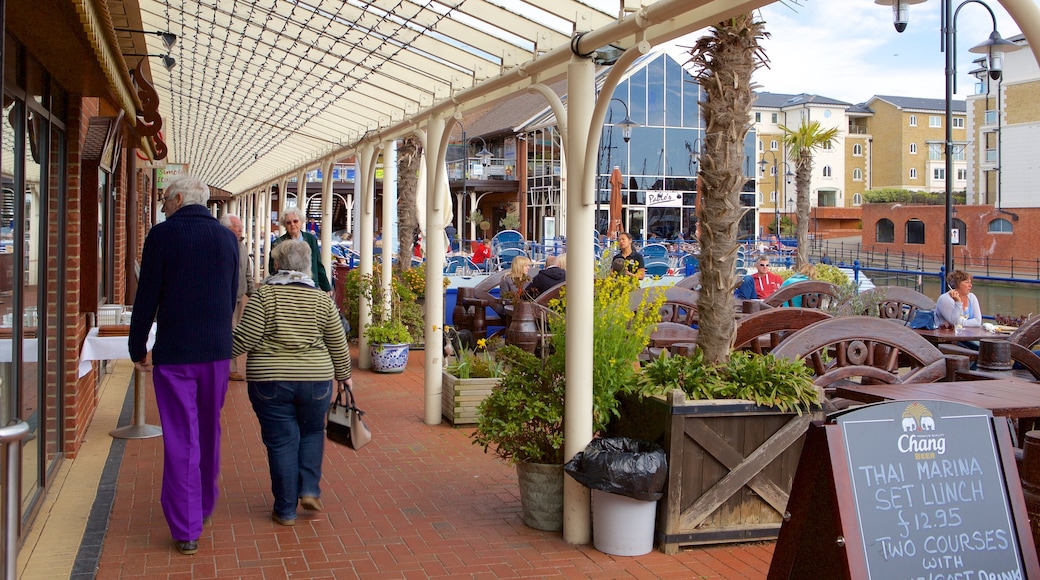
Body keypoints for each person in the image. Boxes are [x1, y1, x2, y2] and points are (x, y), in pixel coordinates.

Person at [128, 173, 239, 556]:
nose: (160, 207)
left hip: (175, 353)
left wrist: (137, 345)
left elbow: (147, 298)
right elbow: (229, 295)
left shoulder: (162, 236)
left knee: (180, 436)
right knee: (209, 430)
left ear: (177, 199)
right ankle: (204, 505)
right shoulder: (227, 238)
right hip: (216, 352)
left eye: (163, 200)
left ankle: (187, 526)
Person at [232, 240, 351, 527]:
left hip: (270, 381)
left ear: (277, 265)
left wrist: (213, 352)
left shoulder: (264, 297)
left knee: (282, 442)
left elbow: (244, 340)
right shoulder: (322, 300)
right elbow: (338, 341)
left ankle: (285, 509)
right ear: (307, 265)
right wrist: (344, 377)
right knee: (312, 432)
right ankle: (309, 489)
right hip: (316, 380)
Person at [220, 213, 255, 382]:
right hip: (224, 297)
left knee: (232, 331)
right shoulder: (219, 244)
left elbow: (247, 271)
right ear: (227, 229)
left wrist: (253, 294)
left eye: (241, 228)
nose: (241, 231)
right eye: (237, 228)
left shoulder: (242, 246)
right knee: (230, 331)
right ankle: (229, 369)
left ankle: (226, 367)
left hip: (239, 296)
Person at [269, 208, 332, 292]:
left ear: (301, 222)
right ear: (284, 225)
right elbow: (272, 268)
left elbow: (317, 264)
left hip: (311, 284)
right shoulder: (278, 243)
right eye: (288, 222)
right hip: (287, 287)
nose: (292, 224)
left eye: (295, 221)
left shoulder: (311, 239)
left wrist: (326, 287)